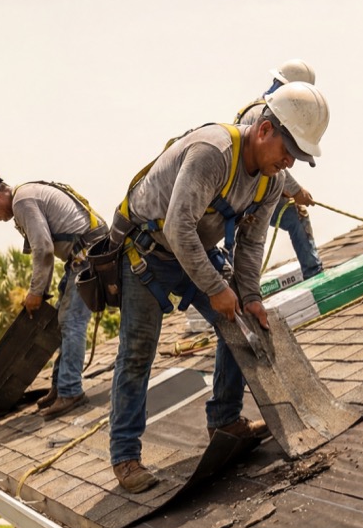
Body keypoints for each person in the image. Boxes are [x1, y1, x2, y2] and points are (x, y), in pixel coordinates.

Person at [109, 82, 330, 493]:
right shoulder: (213, 153)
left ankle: (226, 421)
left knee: (242, 325)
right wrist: (215, 287)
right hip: (149, 251)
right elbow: (177, 226)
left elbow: (251, 245)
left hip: (196, 249)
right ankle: (125, 457)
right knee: (138, 352)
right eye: (289, 151)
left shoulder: (271, 181)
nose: (289, 163)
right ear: (265, 130)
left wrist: (250, 297)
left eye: (298, 158)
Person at [0, 171, 108, 418]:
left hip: (90, 258)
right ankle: (60, 386)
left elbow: (44, 250)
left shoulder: (22, 201)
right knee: (62, 321)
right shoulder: (25, 197)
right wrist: (38, 291)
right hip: (81, 259)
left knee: (71, 323)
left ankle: (70, 391)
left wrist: (36, 292)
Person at [236, 59, 323, 280]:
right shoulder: (263, 114)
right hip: (251, 195)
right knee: (258, 238)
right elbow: (274, 165)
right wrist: (296, 192)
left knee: (252, 240)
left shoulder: (259, 110)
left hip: (251, 191)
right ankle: (314, 274)